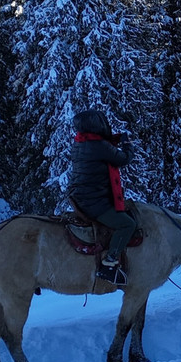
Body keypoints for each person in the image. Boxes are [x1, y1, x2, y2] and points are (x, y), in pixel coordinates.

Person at [68, 109, 135, 268]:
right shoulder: (99, 146)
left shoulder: (80, 142)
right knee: (128, 225)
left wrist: (113, 141)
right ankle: (111, 258)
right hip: (94, 201)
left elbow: (101, 149)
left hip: (81, 196)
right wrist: (127, 144)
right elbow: (123, 159)